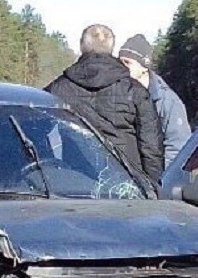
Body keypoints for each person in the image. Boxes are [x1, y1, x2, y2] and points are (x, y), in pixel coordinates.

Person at [46, 24, 164, 186]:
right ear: (111, 47)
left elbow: (33, 129)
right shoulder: (135, 91)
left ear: (81, 46)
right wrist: (152, 187)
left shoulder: (58, 89)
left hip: (75, 184)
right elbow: (151, 147)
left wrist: (49, 170)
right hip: (127, 186)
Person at [118, 34, 191, 166]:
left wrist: (158, 174)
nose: (122, 68)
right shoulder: (116, 94)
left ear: (144, 66)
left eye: (127, 62)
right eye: (120, 62)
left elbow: (178, 148)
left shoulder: (169, 102)